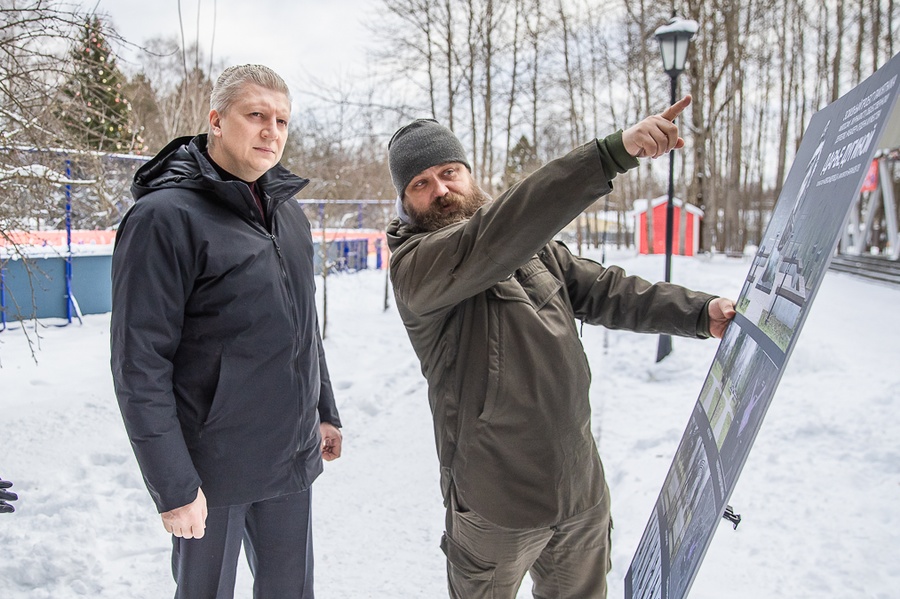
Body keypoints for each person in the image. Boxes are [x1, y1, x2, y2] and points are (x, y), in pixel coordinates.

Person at [385, 95, 735, 599]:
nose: (440, 189)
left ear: (468, 172)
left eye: (449, 171)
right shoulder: (417, 268)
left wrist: (700, 312)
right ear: (405, 200)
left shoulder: (531, 247)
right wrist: (611, 153)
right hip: (494, 507)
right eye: (420, 183)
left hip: (580, 493)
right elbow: (492, 237)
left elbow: (606, 290)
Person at [111, 64, 342, 599]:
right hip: (211, 472)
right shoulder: (164, 218)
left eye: (282, 120)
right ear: (216, 119)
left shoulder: (288, 214)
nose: (272, 131)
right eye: (256, 115)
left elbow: (300, 324)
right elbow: (139, 365)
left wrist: (324, 411)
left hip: (289, 455)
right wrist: (173, 486)